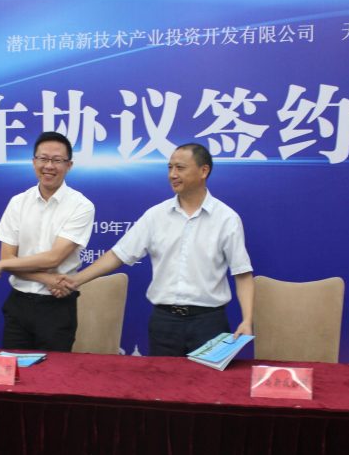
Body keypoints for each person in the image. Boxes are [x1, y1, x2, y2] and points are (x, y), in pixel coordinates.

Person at [60, 142, 253, 356]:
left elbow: (242, 274)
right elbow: (118, 255)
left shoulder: (226, 219)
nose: (172, 175)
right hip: (165, 323)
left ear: (203, 171)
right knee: (163, 378)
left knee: (208, 379)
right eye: (170, 168)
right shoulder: (156, 215)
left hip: (209, 323)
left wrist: (247, 320)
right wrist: (76, 280)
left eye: (180, 168)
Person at [0, 132, 95, 351]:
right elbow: (8, 257)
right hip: (18, 304)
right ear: (34, 162)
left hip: (57, 307)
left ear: (69, 165)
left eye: (57, 160)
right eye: (43, 159)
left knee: (54, 371)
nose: (49, 166)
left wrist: (2, 265)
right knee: (13, 369)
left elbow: (53, 258)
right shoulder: (18, 203)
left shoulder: (81, 206)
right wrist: (46, 279)